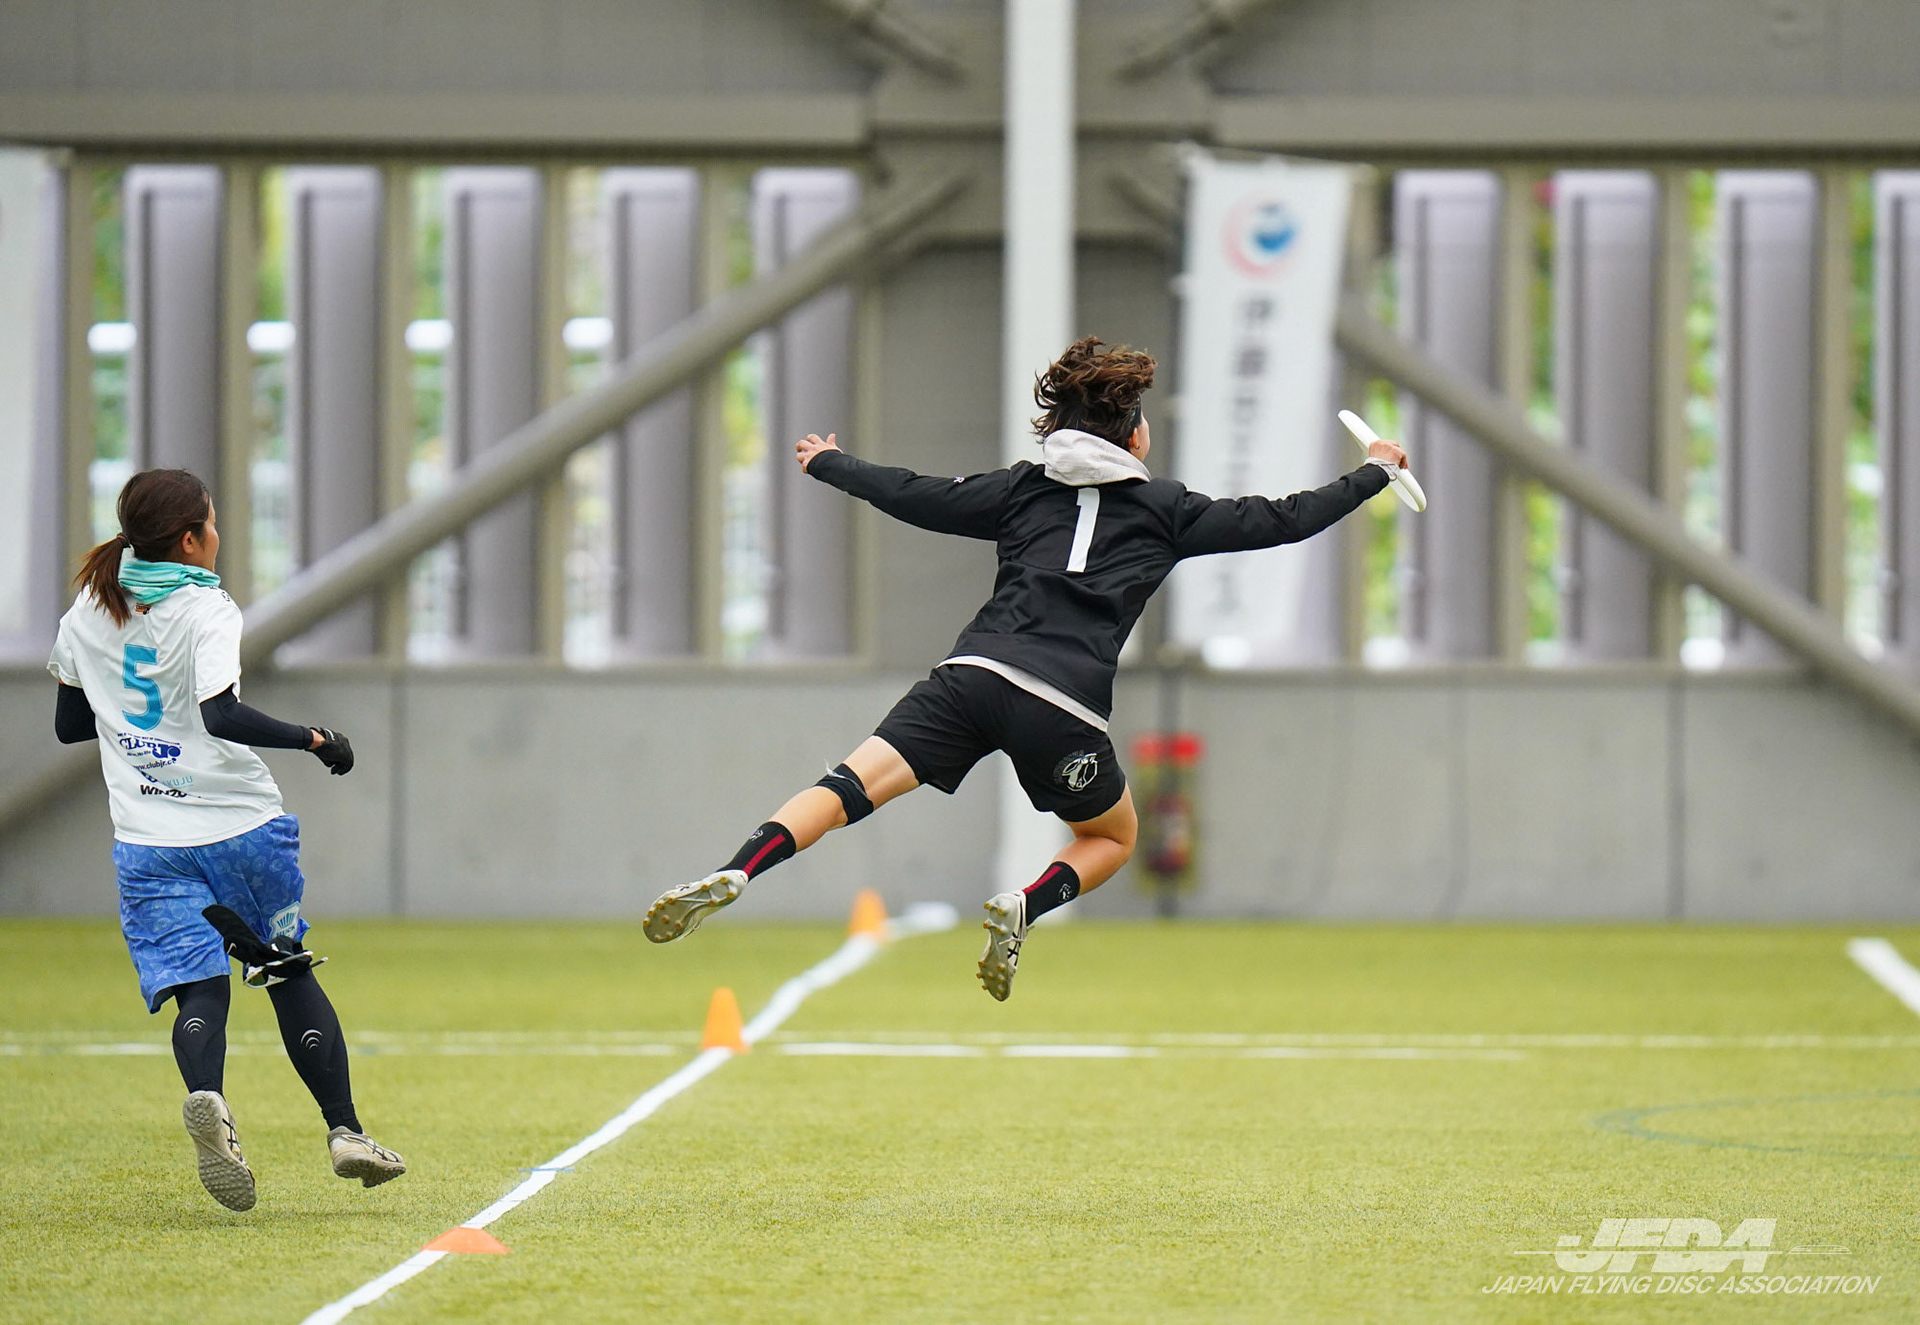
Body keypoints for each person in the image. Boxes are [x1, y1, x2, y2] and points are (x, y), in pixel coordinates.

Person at [644, 337, 1408, 1000]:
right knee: (1111, 836)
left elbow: (916, 495)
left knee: (849, 783)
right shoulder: (1169, 508)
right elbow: (1284, 518)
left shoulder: (1020, 487)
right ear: (1134, 438)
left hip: (973, 674)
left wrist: (831, 463)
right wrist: (1374, 471)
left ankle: (740, 868)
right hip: (1062, 705)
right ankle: (1027, 903)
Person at [49, 468, 405, 1212]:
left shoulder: (89, 604)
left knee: (199, 987)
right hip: (240, 830)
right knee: (285, 971)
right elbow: (221, 714)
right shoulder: (205, 608)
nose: (217, 534)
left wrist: (134, 726)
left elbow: (71, 724)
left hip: (147, 840)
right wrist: (315, 738)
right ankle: (346, 1132)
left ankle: (208, 1096)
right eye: (210, 523)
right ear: (189, 540)